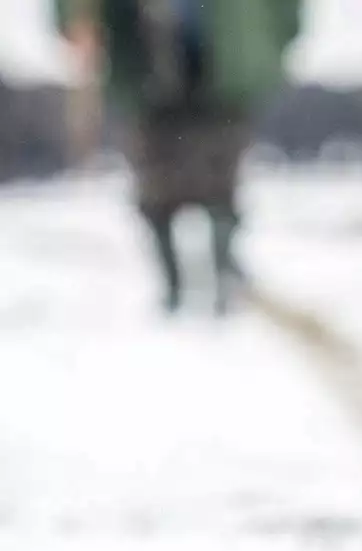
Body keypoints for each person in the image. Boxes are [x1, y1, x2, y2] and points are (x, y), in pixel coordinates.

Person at [54, 0, 302, 315]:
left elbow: (290, 13)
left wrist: (272, 43)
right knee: (156, 190)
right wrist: (75, 23)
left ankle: (223, 278)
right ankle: (172, 290)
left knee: (220, 187)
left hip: (228, 67)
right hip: (143, 65)